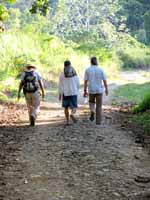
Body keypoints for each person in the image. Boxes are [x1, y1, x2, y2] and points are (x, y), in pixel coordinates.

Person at [84, 57, 108, 125]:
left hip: (91, 89)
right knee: (99, 106)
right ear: (96, 61)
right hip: (99, 90)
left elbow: (85, 81)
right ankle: (98, 122)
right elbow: (104, 80)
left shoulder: (87, 70)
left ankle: (92, 111)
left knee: (91, 102)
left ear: (91, 62)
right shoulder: (101, 70)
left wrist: (85, 90)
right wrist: (106, 89)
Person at [59, 60, 80, 125]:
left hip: (65, 93)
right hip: (73, 92)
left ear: (64, 65)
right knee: (74, 107)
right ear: (70, 65)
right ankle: (72, 114)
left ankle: (67, 121)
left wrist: (60, 94)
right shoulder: (74, 73)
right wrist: (77, 90)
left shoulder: (62, 74)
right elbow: (78, 83)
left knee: (66, 107)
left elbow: (60, 85)